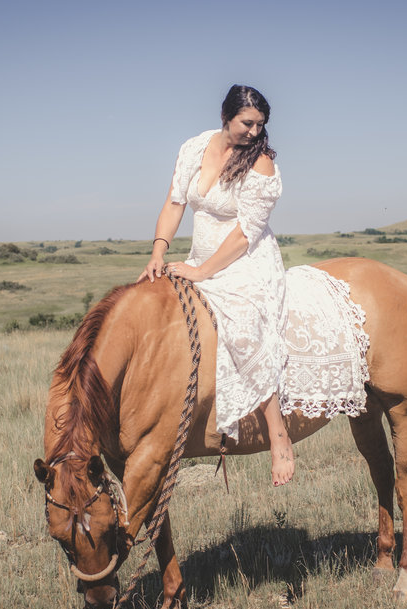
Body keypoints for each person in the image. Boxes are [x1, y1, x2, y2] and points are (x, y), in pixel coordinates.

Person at [138, 84, 294, 486]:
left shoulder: (260, 164)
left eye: (261, 125)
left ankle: (279, 436)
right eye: (247, 123)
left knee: (242, 323)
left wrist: (202, 272)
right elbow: (175, 204)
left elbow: (245, 233)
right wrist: (158, 252)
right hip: (198, 257)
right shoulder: (193, 149)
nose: (255, 132)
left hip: (243, 260)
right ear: (226, 116)